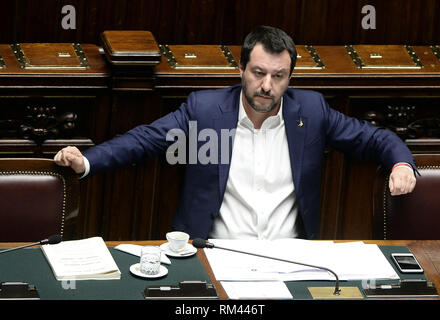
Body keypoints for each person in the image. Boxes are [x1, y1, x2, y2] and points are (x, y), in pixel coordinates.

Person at [54, 26, 417, 240]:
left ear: (290, 77)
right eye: (258, 73)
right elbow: (145, 140)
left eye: (278, 76)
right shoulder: (206, 110)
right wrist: (87, 160)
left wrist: (401, 163)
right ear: (241, 68)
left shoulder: (311, 111)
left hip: (289, 259)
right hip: (215, 255)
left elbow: (374, 139)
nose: (267, 85)